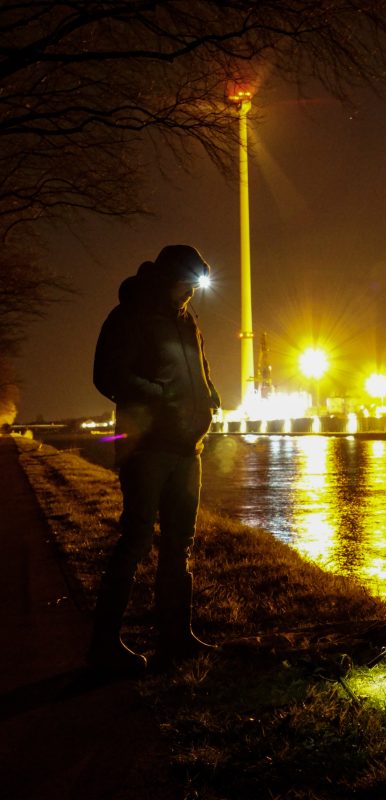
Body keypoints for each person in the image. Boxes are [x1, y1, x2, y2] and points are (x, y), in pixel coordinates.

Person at [90, 244, 221, 676]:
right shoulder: (129, 316)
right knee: (136, 540)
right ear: (170, 278)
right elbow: (108, 376)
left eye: (195, 287)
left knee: (179, 543)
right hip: (147, 447)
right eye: (187, 284)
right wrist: (160, 395)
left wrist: (209, 392)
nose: (190, 293)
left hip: (188, 448)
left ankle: (177, 638)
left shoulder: (186, 319)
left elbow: (195, 366)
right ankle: (105, 645)